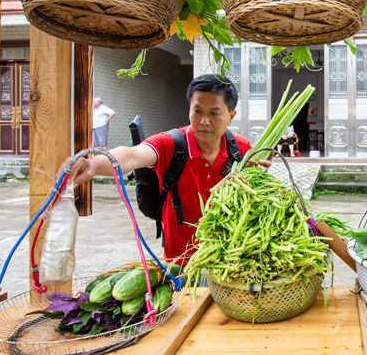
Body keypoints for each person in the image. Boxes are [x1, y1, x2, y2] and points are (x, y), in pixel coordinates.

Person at [67, 75, 268, 264]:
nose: (203, 121)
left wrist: (259, 175)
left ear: (231, 116)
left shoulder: (241, 148)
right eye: (197, 111)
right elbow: (131, 155)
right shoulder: (170, 144)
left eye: (214, 113)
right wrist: (92, 164)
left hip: (229, 259)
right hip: (181, 260)